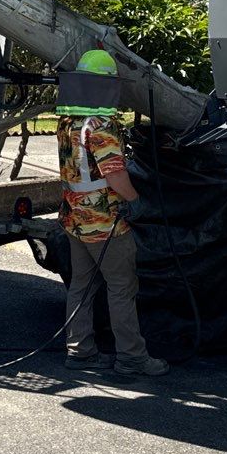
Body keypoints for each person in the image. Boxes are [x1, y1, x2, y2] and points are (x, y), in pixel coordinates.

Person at [54, 48, 167, 377]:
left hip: (74, 219)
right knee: (121, 287)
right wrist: (135, 199)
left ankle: (80, 351)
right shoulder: (100, 125)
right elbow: (115, 174)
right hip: (105, 223)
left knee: (81, 286)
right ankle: (132, 357)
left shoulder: (67, 122)